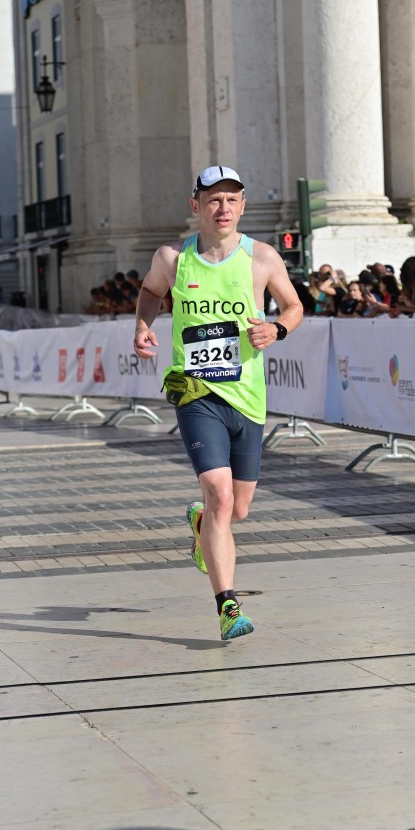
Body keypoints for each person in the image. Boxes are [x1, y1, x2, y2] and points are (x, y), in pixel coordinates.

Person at [133, 165, 303, 641]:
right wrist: (142, 326)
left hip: (247, 397)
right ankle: (228, 606)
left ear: (242, 206)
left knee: (237, 509)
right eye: (213, 200)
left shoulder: (262, 258)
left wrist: (277, 328)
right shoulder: (173, 258)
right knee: (220, 494)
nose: (222, 208)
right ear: (197, 206)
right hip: (196, 392)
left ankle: (202, 523)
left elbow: (294, 306)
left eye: (231, 200)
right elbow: (150, 292)